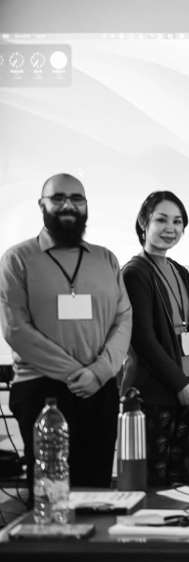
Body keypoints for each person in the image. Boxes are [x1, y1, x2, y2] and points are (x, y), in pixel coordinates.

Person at [1, 173, 133, 492]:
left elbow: (124, 318)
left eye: (77, 198)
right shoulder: (18, 258)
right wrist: (77, 374)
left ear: (86, 205)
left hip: (100, 389)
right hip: (41, 390)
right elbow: (16, 329)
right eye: (58, 198)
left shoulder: (106, 258)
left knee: (97, 491)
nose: (68, 205)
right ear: (41, 205)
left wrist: (99, 372)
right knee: (51, 493)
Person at [122, 191, 189, 486]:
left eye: (177, 221)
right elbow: (143, 340)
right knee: (152, 481)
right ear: (143, 223)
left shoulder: (180, 271)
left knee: (180, 480)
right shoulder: (134, 272)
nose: (170, 228)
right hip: (153, 394)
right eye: (161, 220)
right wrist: (179, 385)